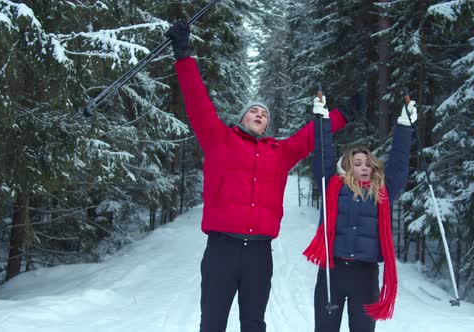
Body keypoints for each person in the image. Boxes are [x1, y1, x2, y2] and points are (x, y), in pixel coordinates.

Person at [166, 20, 362, 332]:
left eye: (265, 114)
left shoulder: (279, 152)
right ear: (241, 118)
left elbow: (311, 135)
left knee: (254, 324)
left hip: (259, 253)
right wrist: (184, 54)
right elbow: (197, 101)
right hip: (221, 250)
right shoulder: (218, 139)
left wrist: (343, 114)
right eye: (254, 111)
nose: (260, 114)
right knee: (212, 322)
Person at [303, 95, 417, 331]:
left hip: (365, 276)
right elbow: (323, 155)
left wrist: (405, 126)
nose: (364, 166)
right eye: (357, 163)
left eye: (368, 163)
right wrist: (323, 122)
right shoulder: (332, 186)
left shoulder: (382, 193)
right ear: (346, 167)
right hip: (331, 273)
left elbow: (398, 165)